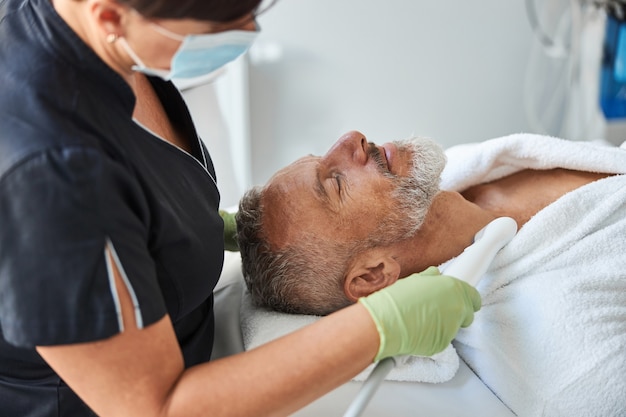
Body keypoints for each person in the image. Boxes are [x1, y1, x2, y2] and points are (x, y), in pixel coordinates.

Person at [0, 1, 483, 416]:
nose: (248, 32)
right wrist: (378, 330)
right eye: (224, 25)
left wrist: (186, 229)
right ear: (111, 17)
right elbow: (156, 408)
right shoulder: (52, 174)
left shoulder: (94, 40)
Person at [236, 130, 626, 415]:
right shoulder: (568, 359)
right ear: (372, 275)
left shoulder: (462, 169)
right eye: (336, 183)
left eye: (323, 156)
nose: (349, 138)